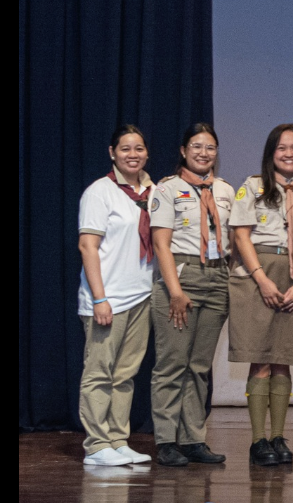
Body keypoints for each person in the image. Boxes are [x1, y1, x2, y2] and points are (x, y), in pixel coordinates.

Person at [229, 123, 293, 466]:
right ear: (271, 153)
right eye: (282, 148)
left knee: (283, 359)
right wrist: (261, 278)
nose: (289, 154)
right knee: (260, 358)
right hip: (258, 273)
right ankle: (258, 440)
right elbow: (242, 237)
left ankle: (278, 436)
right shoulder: (253, 187)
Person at [148, 123, 233, 467]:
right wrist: (175, 291)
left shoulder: (226, 190)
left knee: (199, 366)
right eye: (196, 146)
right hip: (181, 276)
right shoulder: (167, 189)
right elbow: (160, 242)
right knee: (172, 363)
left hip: (217, 276)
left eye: (210, 147)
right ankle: (167, 440)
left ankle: (193, 438)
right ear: (183, 151)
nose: (203, 153)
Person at [77, 125, 156, 466]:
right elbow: (87, 246)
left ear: (147, 153)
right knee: (99, 372)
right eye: (125, 149)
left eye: (138, 148)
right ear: (112, 153)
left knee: (125, 374)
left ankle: (117, 439)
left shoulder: (155, 191)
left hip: (141, 295)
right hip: (108, 297)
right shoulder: (100, 192)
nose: (132, 154)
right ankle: (96, 445)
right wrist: (99, 298)